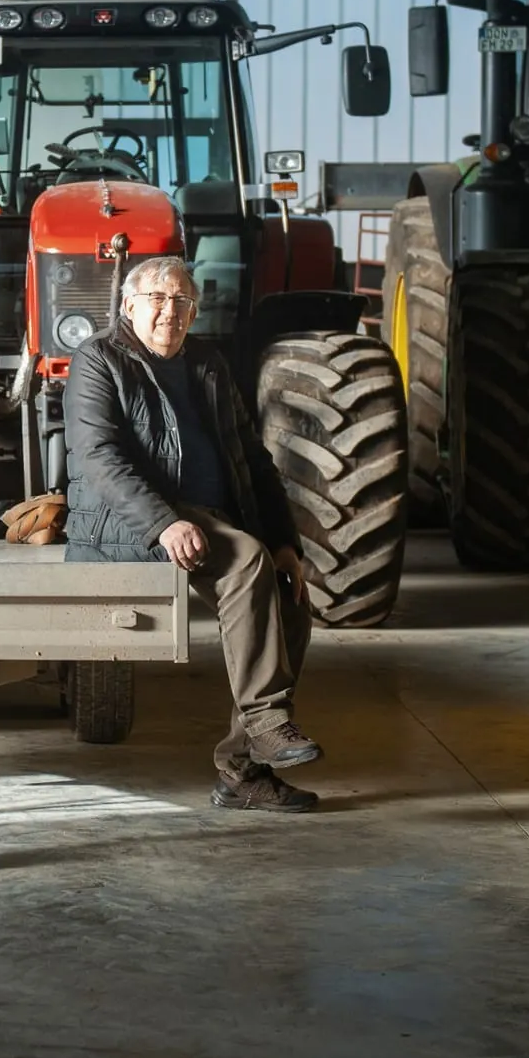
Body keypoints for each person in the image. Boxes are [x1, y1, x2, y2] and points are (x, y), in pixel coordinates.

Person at [61, 254, 322, 812]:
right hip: (133, 521)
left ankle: (242, 771)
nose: (169, 312)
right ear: (129, 306)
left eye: (181, 301)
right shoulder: (98, 359)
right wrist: (163, 522)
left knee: (289, 594)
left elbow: (252, 457)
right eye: (156, 299)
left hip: (211, 514)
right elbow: (98, 457)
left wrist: (285, 541)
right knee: (245, 559)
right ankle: (268, 718)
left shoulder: (208, 362)